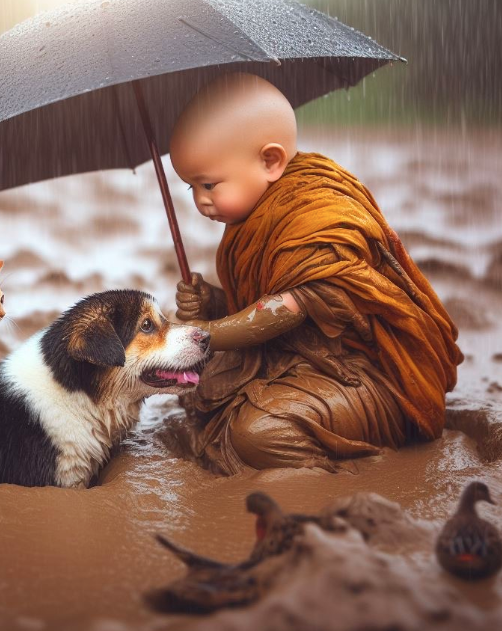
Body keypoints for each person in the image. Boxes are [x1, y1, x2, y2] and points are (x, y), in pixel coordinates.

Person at [170, 71, 461, 473]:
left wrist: (203, 336)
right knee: (197, 391)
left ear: (270, 161)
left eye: (209, 184)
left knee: (257, 433)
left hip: (366, 376)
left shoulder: (318, 214)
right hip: (298, 359)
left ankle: (347, 473)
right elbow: (263, 299)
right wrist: (214, 302)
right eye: (190, 188)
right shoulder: (250, 216)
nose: (201, 202)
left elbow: (286, 309)